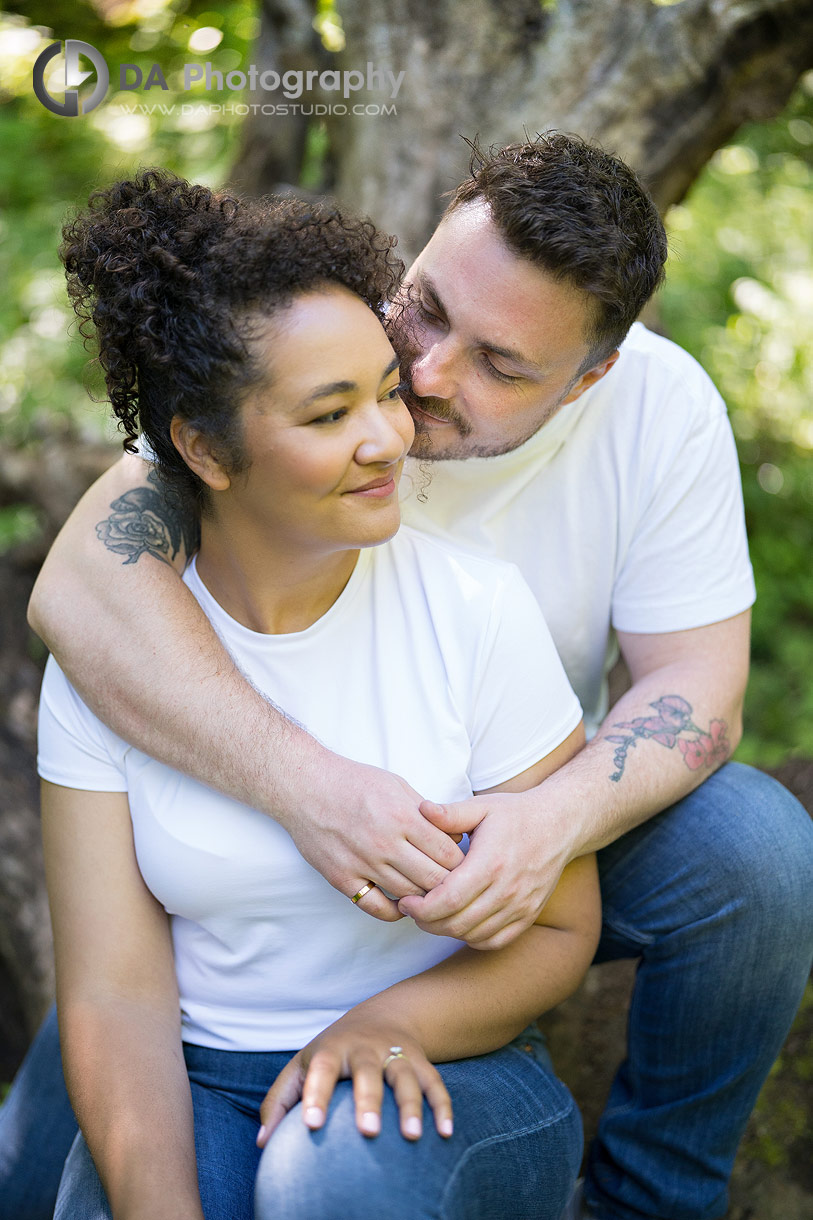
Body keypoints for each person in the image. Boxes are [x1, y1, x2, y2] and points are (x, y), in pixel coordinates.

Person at [3, 133, 812, 1220]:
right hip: (263, 880)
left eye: (501, 365)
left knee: (756, 850)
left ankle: (650, 1200)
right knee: (53, 1176)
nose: (424, 379)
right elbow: (78, 586)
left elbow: (699, 689)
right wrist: (312, 790)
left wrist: (549, 825)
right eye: (427, 308)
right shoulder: (295, 362)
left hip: (495, 819)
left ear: (590, 377)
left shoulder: (655, 416)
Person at [34, 169, 601, 1220]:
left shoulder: (475, 609)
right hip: (203, 1073)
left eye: (384, 388)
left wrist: (388, 1022)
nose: (390, 436)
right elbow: (113, 991)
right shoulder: (112, 662)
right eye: (330, 412)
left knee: (324, 1172)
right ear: (205, 448)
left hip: (454, 1063)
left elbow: (564, 929)